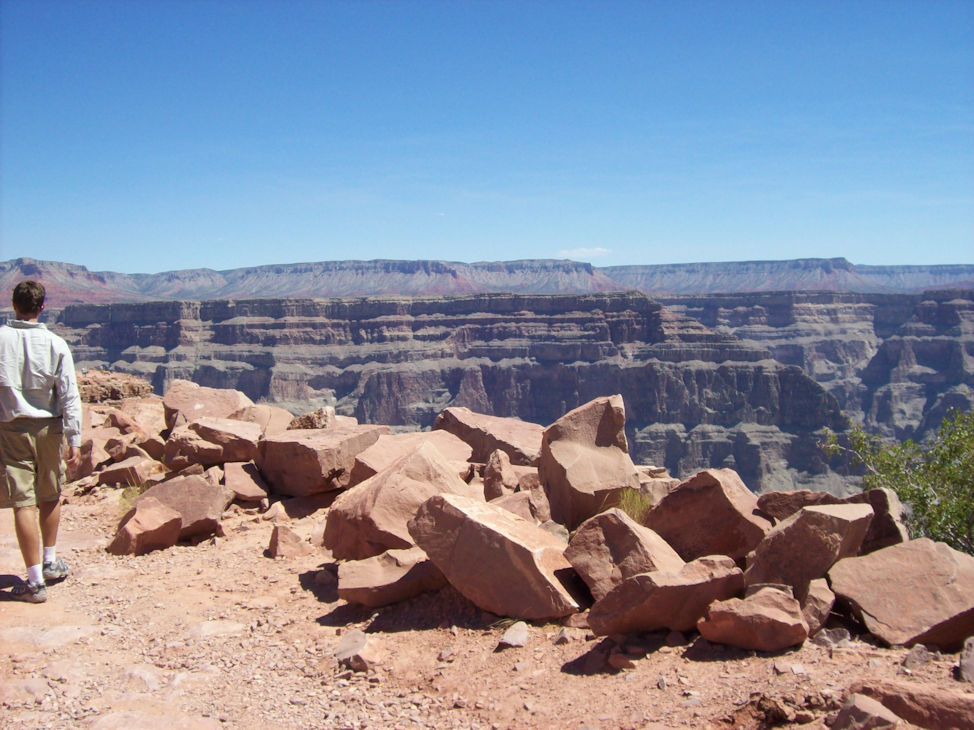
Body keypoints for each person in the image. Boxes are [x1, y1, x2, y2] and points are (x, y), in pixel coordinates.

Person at [0, 281, 81, 602]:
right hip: (49, 428)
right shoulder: (56, 344)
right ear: (43, 306)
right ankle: (49, 562)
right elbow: (69, 394)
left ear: (13, 303)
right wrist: (74, 436)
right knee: (50, 493)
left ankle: (35, 582)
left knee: (23, 501)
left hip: (10, 427)